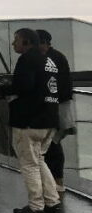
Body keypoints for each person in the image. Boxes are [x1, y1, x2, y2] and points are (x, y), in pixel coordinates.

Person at [0, 28, 60, 213]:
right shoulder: (49, 61)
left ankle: (35, 207)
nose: (13, 44)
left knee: (29, 164)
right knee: (39, 160)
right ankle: (52, 201)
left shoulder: (27, 59)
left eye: (16, 40)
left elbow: (23, 86)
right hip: (49, 119)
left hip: (29, 121)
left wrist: (3, 89)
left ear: (27, 43)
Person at [38, 29, 73, 199]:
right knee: (53, 143)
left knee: (52, 144)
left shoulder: (50, 59)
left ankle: (56, 182)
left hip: (55, 106)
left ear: (42, 42)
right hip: (59, 104)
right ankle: (56, 182)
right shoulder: (58, 57)